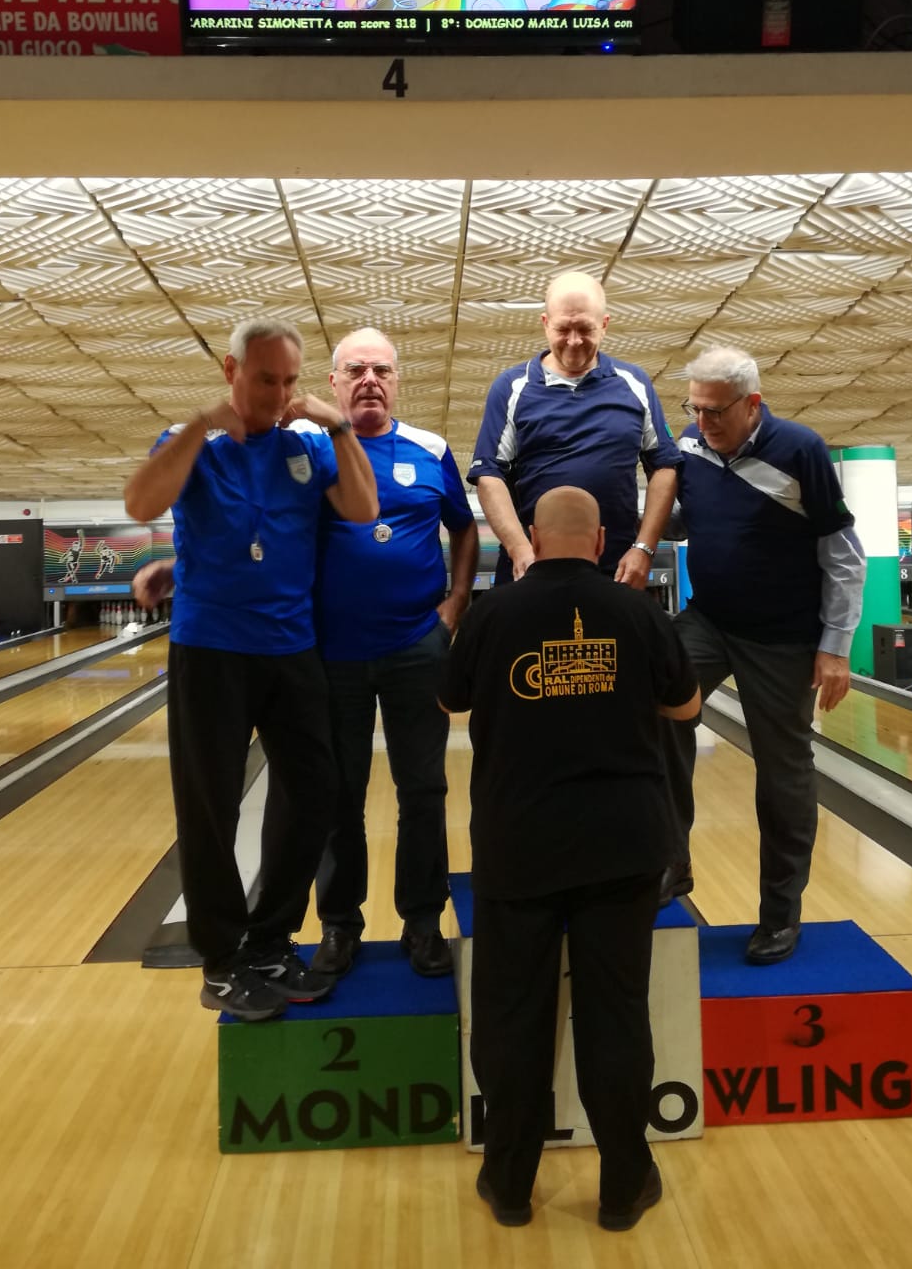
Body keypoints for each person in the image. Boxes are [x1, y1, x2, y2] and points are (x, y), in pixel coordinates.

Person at [439, 488, 700, 1232]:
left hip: (518, 842)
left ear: (528, 537)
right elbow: (687, 707)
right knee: (616, 1015)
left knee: (511, 1016)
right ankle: (623, 1186)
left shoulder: (492, 613)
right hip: (622, 844)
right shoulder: (638, 612)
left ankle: (509, 1184)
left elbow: (449, 702)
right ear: (601, 540)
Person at [125, 317, 378, 1022]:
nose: (279, 393)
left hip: (291, 646)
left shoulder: (308, 446)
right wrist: (202, 423)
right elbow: (142, 503)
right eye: (266, 379)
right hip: (211, 647)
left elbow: (363, 508)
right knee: (211, 805)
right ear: (231, 371)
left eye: (290, 380)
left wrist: (337, 425)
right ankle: (220, 957)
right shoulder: (191, 444)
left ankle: (269, 940)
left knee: (315, 791)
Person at [668, 346, 864, 966]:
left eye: (715, 411)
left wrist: (835, 648)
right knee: (652, 711)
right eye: (694, 409)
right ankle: (670, 859)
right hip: (709, 621)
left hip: (782, 638)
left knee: (783, 774)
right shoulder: (691, 446)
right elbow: (687, 518)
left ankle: (780, 914)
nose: (703, 422)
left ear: (752, 403)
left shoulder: (800, 449)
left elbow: (843, 555)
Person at [310, 327, 478, 980]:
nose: (369, 381)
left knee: (424, 789)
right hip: (335, 653)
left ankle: (423, 922)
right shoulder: (311, 450)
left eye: (381, 370)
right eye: (356, 370)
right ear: (334, 382)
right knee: (338, 794)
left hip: (416, 645)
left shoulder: (429, 449)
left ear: (397, 380)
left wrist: (455, 604)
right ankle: (338, 925)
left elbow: (463, 528)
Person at [468, 271, 681, 590]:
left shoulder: (634, 383)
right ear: (545, 323)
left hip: (615, 572)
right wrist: (519, 548)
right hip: (531, 570)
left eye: (585, 329)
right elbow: (489, 475)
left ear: (604, 324)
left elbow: (664, 466)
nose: (574, 340)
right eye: (563, 329)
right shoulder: (512, 387)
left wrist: (644, 548)